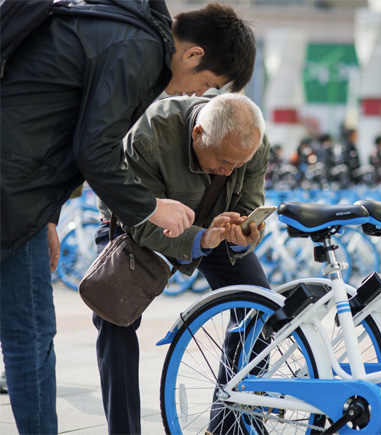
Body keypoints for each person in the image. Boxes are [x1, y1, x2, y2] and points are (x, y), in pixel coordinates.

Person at [0, 2, 256, 433]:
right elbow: (93, 151)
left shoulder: (125, 31)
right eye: (206, 83)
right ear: (192, 54)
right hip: (12, 189)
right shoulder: (137, 50)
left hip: (21, 192)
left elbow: (50, 127)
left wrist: (46, 217)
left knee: (28, 334)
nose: (198, 95)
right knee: (31, 336)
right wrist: (154, 206)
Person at [94, 93, 270, 435]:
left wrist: (244, 234)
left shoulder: (251, 144)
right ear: (198, 134)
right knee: (114, 320)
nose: (231, 170)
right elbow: (139, 220)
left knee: (259, 308)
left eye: (239, 163)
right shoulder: (148, 136)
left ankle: (228, 425)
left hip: (215, 227)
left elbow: (249, 205)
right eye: (223, 161)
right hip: (135, 226)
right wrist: (199, 239)